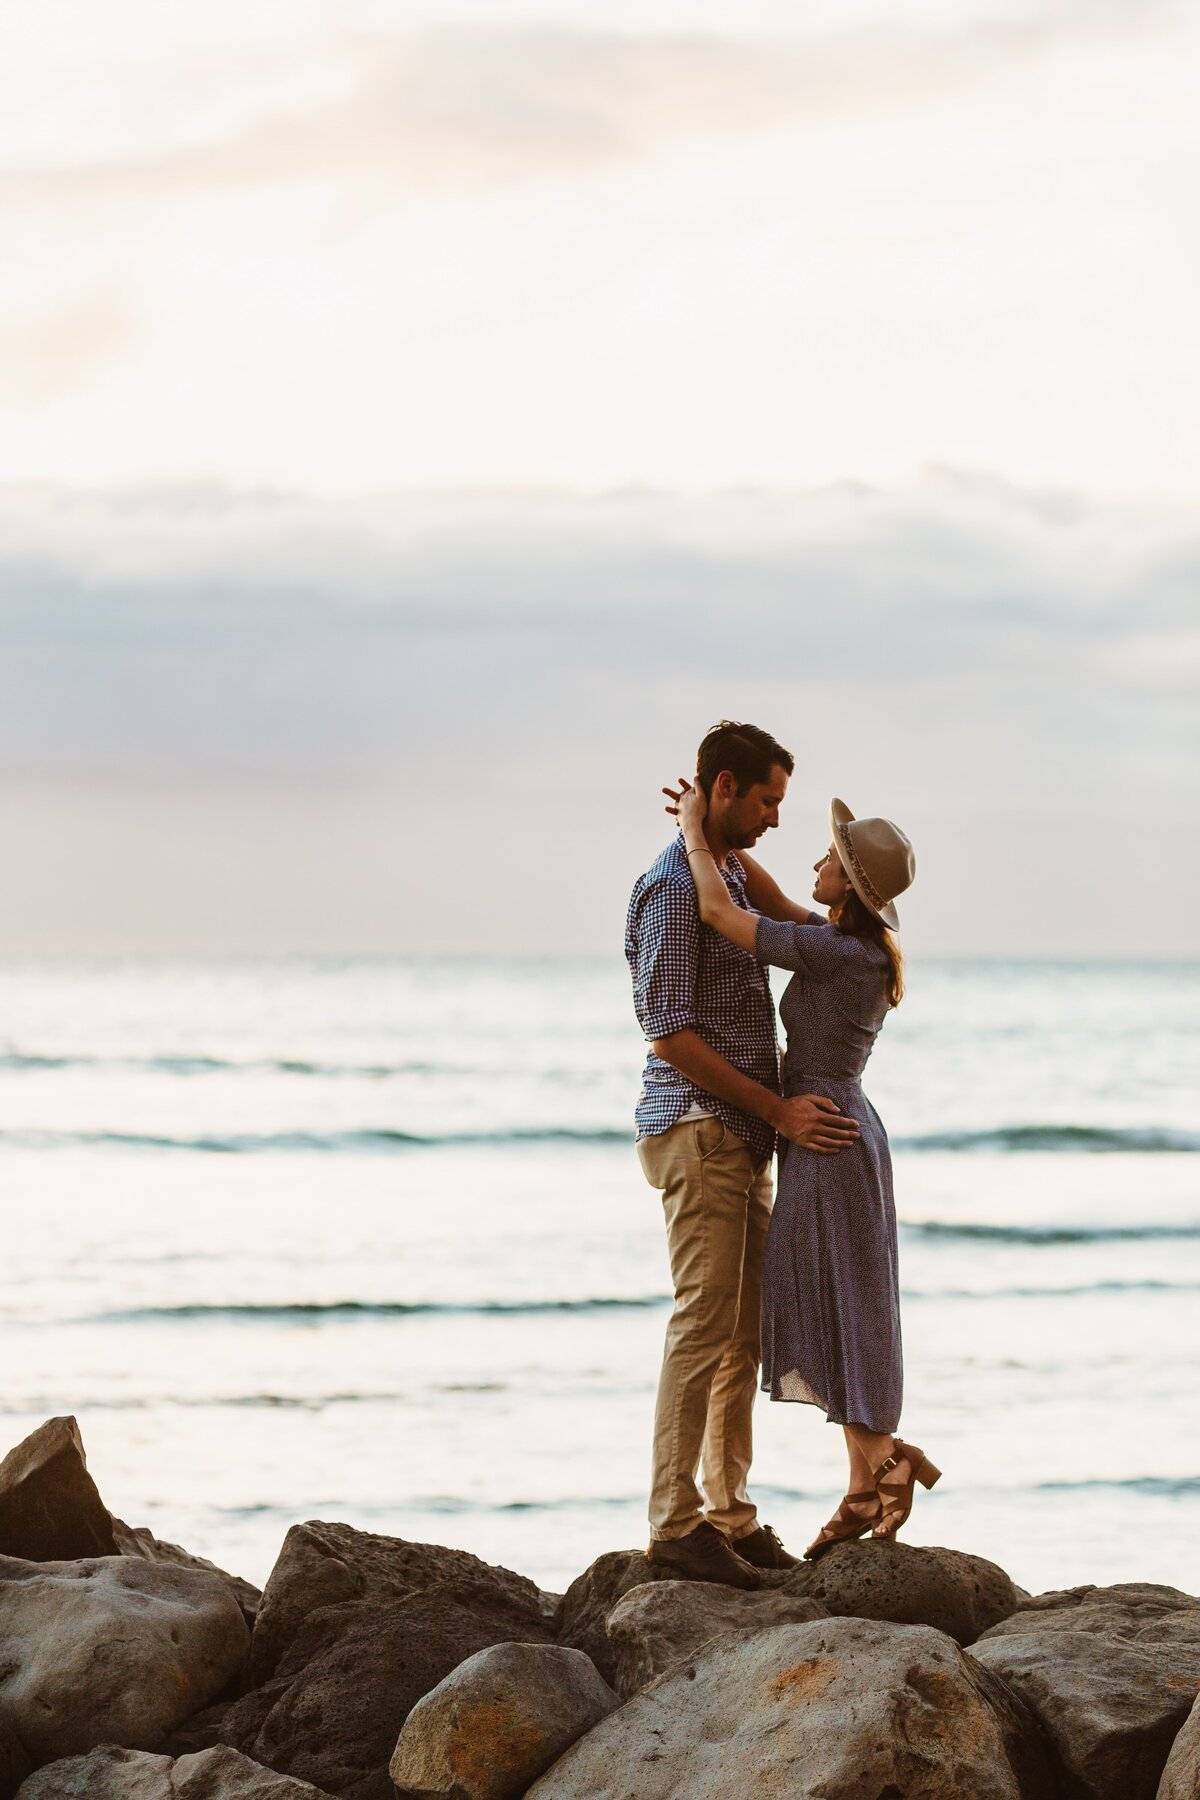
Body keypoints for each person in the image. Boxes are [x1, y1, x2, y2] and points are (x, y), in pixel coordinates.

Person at [674, 778, 940, 1558]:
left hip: (826, 1135)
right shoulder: (847, 948)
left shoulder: (834, 955)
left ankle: (882, 1466)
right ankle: (869, 1482)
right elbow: (776, 901)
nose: (816, 862)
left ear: (851, 886)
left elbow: (723, 916)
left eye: (829, 858)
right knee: (837, 1298)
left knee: (839, 1302)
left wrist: (696, 835)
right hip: (840, 1129)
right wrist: (721, 843)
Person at [625, 722, 860, 1589]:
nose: (773, 819)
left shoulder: (717, 871)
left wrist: (703, 831)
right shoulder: (672, 888)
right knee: (702, 1323)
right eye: (766, 800)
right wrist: (778, 1112)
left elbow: (773, 913)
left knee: (742, 1335)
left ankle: (728, 1514)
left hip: (740, 1133)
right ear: (723, 787)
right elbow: (668, 1032)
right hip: (699, 1125)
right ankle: (673, 1523)